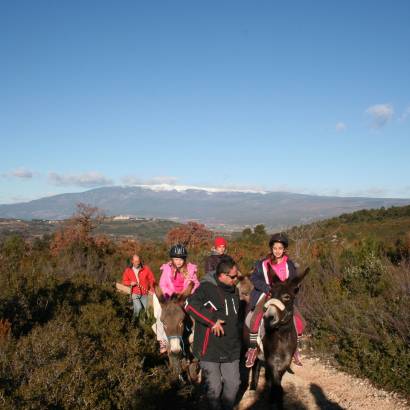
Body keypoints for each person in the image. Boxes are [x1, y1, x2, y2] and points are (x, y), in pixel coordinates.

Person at [185, 256, 241, 410]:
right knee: (214, 389)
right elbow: (190, 305)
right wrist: (211, 321)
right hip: (209, 348)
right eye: (233, 276)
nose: (237, 279)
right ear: (222, 276)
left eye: (237, 275)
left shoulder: (235, 291)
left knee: (234, 384)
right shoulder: (206, 288)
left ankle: (227, 406)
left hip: (231, 348)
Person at [245, 233, 305, 368]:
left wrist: (294, 288)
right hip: (268, 295)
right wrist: (266, 288)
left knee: (301, 322)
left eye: (280, 248)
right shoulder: (262, 264)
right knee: (255, 320)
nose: (277, 251)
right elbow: (254, 278)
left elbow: (294, 281)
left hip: (283, 298)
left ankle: (295, 348)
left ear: (284, 249)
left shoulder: (289, 264)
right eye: (275, 248)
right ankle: (253, 349)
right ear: (271, 248)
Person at [155, 244, 199, 353]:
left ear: (184, 259)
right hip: (169, 297)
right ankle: (162, 339)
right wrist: (172, 294)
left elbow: (196, 283)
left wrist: (186, 293)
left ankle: (196, 332)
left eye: (180, 259)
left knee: (195, 309)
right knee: (160, 314)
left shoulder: (190, 269)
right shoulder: (167, 269)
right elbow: (163, 284)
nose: (178, 262)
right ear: (172, 259)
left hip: (184, 296)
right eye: (175, 259)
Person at [122, 254, 156, 319]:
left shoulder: (146, 268)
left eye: (138, 261)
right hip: (134, 293)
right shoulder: (128, 270)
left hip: (145, 293)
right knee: (138, 308)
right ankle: (133, 324)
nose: (137, 263)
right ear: (132, 261)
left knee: (147, 310)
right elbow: (124, 281)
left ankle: (144, 324)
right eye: (135, 261)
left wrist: (152, 289)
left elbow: (152, 279)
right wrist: (130, 283)